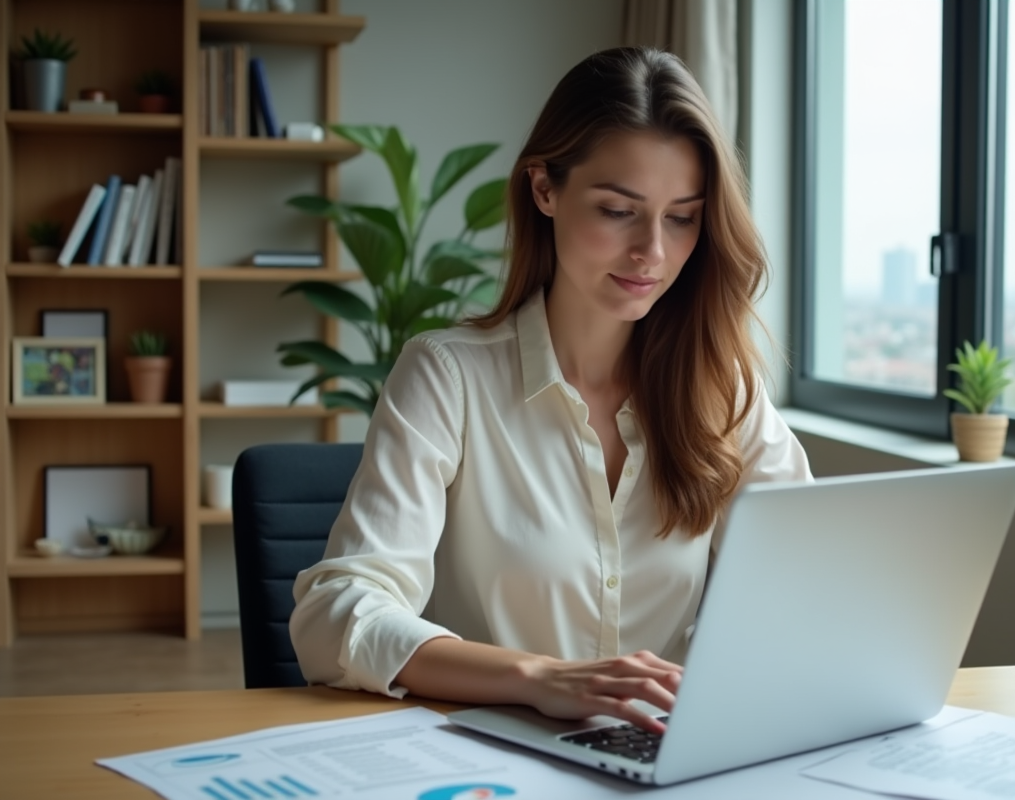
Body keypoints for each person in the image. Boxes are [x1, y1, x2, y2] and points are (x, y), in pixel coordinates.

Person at [290, 46, 812, 734]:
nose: (652, 252)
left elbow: (809, 585)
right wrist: (541, 678)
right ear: (544, 189)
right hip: (490, 762)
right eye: (618, 210)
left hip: (671, 758)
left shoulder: (724, 390)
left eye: (682, 216)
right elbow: (336, 616)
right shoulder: (448, 377)